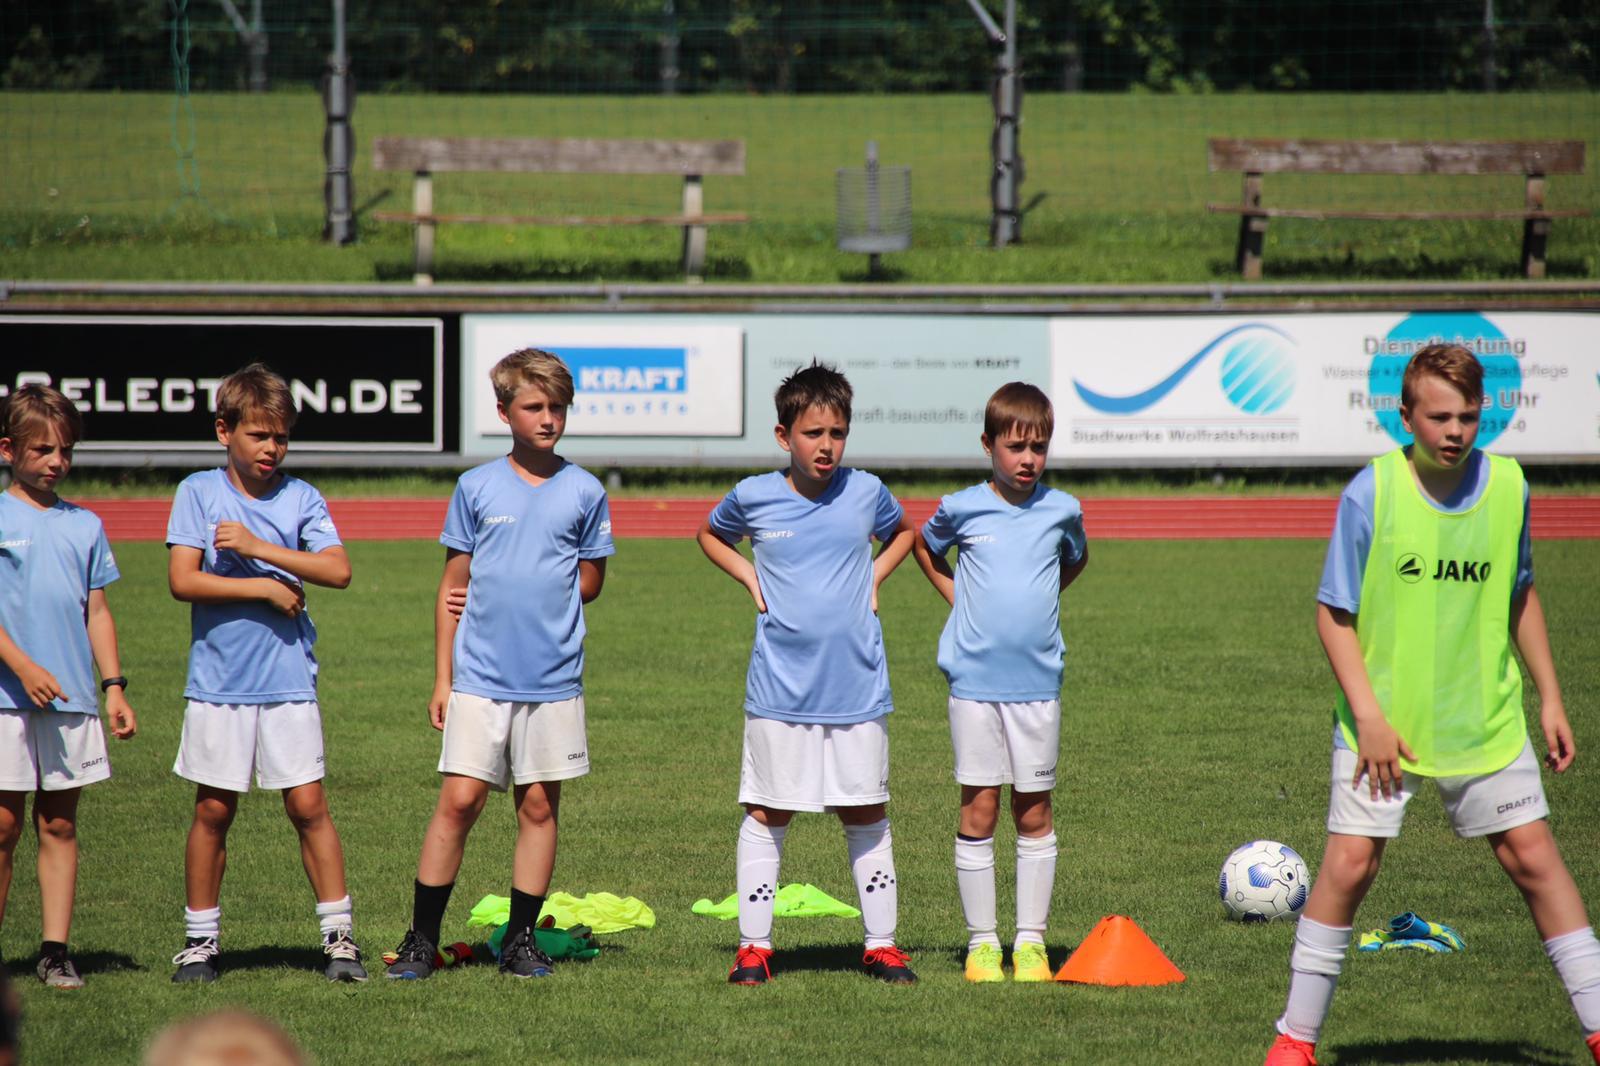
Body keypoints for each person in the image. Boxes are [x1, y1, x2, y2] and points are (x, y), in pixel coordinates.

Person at [1265, 343, 1600, 1066]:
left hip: (1484, 717)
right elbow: (1333, 613)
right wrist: (1370, 718)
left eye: (1468, 417)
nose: (1455, 431)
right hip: (1383, 725)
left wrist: (1550, 696)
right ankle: (1294, 1041)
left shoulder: (1509, 486)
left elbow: (1520, 593)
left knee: (1535, 860)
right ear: (1406, 416)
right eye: (1439, 417)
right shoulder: (1372, 491)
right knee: (1350, 866)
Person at [386, 349, 613, 981]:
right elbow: (451, 588)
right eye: (534, 406)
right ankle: (421, 940)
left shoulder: (586, 490)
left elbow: (591, 582)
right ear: (504, 411)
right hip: (480, 677)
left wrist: (544, 583)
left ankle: (520, 940)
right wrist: (443, 677)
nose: (548, 418)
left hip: (553, 680)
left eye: (557, 407)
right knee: (459, 801)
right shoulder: (477, 487)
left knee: (538, 807)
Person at [697, 360, 917, 986]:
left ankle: (881, 945)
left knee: (865, 811)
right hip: (780, 690)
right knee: (768, 813)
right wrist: (749, 576)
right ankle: (754, 948)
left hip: (856, 686)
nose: (826, 446)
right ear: (783, 435)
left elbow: (904, 532)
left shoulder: (866, 492)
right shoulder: (754, 496)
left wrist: (874, 575)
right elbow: (711, 535)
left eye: (837, 433)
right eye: (813, 433)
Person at [165, 363, 363, 984]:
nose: (271, 448)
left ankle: (339, 939)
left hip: (288, 680)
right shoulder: (198, 492)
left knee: (308, 805)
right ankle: (200, 942)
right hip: (219, 683)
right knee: (213, 810)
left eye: (281, 437)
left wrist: (257, 550)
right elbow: (182, 580)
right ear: (224, 431)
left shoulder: (301, 497)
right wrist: (263, 588)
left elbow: (337, 570)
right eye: (258, 435)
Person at [911, 381, 1087, 983]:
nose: (1028, 459)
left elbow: (1074, 559)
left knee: (1033, 811)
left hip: (1037, 685)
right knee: (979, 806)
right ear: (988, 445)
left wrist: (1041, 602)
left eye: (1039, 447)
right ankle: (983, 943)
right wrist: (960, 600)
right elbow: (926, 548)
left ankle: (1031, 943)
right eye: (1015, 447)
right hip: (975, 685)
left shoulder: (1063, 509)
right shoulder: (961, 507)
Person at [0, 386, 137, 990]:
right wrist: (23, 668)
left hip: (71, 699)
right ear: (9, 449)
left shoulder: (86, 524)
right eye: (43, 450)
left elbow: (96, 611)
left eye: (66, 450)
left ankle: (54, 952)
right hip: (6, 698)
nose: (57, 461)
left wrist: (113, 687)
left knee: (58, 824)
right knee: (3, 827)